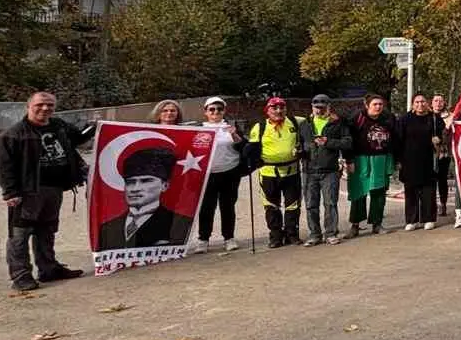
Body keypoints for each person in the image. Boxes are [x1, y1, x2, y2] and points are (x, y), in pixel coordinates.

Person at [0, 92, 88, 290]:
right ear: (28, 106)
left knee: (47, 230)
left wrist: (98, 127)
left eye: (50, 105)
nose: (45, 109)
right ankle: (20, 276)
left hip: (54, 189)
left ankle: (48, 269)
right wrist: (10, 193)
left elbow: (78, 138)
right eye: (40, 105)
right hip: (27, 192)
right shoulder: (13, 134)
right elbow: (3, 166)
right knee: (20, 234)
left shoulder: (59, 126)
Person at [97, 140, 187, 250]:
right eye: (130, 182)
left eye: (146, 181)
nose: (135, 189)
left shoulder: (177, 222)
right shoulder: (107, 228)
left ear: (164, 185)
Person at [247, 97, 308, 248]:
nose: (279, 111)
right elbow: (252, 149)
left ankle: (291, 234)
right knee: (271, 205)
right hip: (268, 173)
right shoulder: (259, 127)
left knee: (292, 205)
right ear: (267, 111)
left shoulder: (296, 122)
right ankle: (275, 237)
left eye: (282, 107)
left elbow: (315, 120)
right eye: (274, 108)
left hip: (291, 172)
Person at [192, 97, 244, 254]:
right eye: (212, 109)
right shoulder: (199, 129)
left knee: (227, 206)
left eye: (219, 109)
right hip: (208, 174)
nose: (216, 112)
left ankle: (229, 238)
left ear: (224, 111)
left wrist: (234, 134)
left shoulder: (230, 127)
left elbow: (242, 147)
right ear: (206, 112)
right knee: (207, 207)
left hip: (230, 171)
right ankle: (203, 239)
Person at [303, 94, 352, 246]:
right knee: (311, 204)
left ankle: (330, 233)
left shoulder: (337, 123)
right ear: (312, 107)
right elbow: (300, 143)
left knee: (330, 203)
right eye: (317, 107)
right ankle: (314, 234)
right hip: (309, 170)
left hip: (330, 170)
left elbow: (347, 142)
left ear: (329, 107)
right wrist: (301, 149)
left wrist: (328, 142)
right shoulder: (305, 124)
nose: (319, 110)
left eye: (323, 107)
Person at [346, 94, 397, 237]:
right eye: (375, 104)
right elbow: (347, 140)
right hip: (360, 159)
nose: (378, 107)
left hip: (381, 158)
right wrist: (349, 160)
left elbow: (395, 138)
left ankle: (377, 224)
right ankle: (355, 225)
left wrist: (393, 160)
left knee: (379, 192)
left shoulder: (388, 118)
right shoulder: (357, 118)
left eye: (380, 104)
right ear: (367, 105)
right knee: (358, 192)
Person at [394, 94, 443, 231]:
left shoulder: (434, 118)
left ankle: (429, 218)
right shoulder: (404, 119)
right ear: (412, 104)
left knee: (429, 190)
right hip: (409, 159)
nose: (420, 104)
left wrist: (438, 140)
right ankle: (411, 220)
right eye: (417, 102)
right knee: (410, 191)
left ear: (427, 103)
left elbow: (442, 135)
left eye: (423, 101)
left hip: (429, 159)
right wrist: (398, 160)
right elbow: (398, 140)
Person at [429, 94, 453, 217]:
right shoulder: (427, 115)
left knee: (442, 179)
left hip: (444, 153)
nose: (438, 103)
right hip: (428, 152)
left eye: (441, 101)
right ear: (431, 103)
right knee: (430, 180)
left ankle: (443, 204)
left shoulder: (450, 117)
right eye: (436, 101)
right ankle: (431, 204)